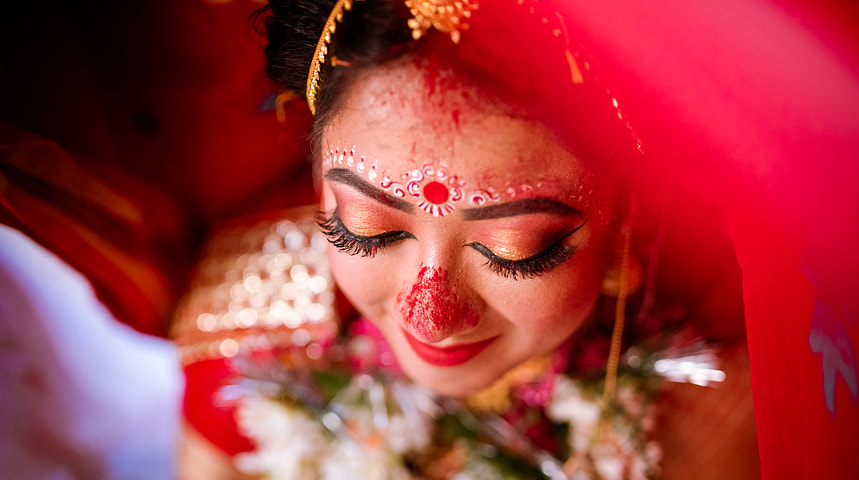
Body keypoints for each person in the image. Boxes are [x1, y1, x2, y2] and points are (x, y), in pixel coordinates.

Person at [174, 0, 757, 478]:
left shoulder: (716, 379)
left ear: (632, 216)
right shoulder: (249, 334)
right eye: (366, 228)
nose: (429, 316)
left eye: (516, 249)